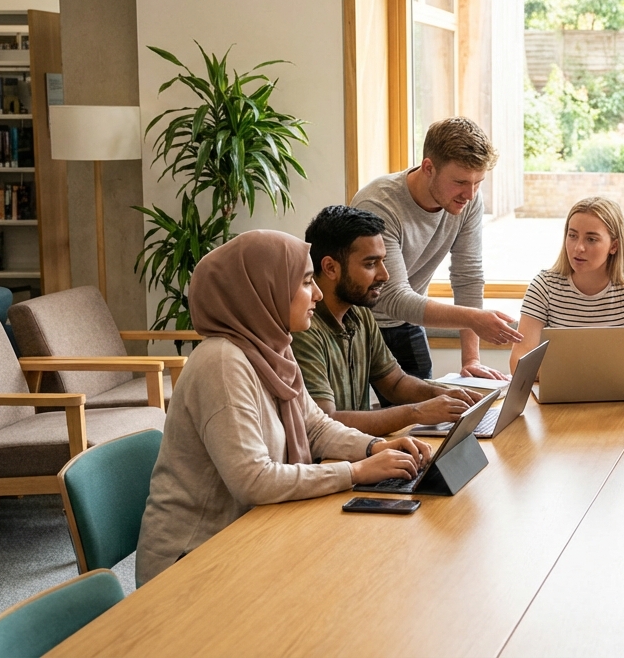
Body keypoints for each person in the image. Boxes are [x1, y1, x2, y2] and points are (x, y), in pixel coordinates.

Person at [136, 230, 433, 586]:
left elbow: (316, 426)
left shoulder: (272, 347)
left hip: (253, 535)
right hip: (195, 561)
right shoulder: (222, 364)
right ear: (264, 288)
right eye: (307, 281)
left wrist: (374, 447)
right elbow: (254, 481)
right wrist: (355, 472)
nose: (319, 294)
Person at [352, 117, 523, 381]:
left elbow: (468, 276)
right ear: (428, 167)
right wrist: (474, 318)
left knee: (424, 415)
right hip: (356, 325)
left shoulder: (467, 201)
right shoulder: (379, 204)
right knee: (361, 418)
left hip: (408, 322)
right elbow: (394, 297)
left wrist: (471, 360)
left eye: (478, 182)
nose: (470, 194)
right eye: (461, 182)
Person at [293, 205, 486, 437]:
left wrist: (442, 394)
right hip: (327, 463)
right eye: (370, 264)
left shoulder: (360, 314)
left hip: (358, 452)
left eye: (383, 261)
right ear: (330, 268)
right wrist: (417, 413)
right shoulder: (304, 328)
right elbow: (326, 421)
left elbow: (394, 383)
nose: (384, 275)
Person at [509, 196, 624, 375]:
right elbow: (519, 361)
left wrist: (573, 374)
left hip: (617, 397)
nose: (578, 247)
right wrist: (592, 374)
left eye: (591, 239)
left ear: (614, 246)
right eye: (572, 235)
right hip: (559, 397)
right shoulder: (544, 286)